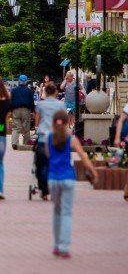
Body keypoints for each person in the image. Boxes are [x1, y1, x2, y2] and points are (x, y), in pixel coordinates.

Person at [47, 110, 98, 258]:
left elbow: (47, 155)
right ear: (67, 122)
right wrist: (93, 172)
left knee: (57, 211)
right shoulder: (71, 139)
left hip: (53, 178)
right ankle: (64, 247)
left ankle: (56, 245)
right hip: (68, 178)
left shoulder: (49, 138)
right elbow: (83, 157)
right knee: (67, 213)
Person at [34, 82, 65, 201]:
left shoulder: (41, 104)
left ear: (46, 92)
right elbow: (64, 120)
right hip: (56, 138)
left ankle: (44, 190)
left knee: (43, 165)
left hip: (43, 138)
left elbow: (37, 118)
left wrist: (37, 126)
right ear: (56, 92)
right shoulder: (60, 105)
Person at [11, 74, 36, 150]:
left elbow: (11, 101)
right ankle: (25, 144)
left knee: (16, 128)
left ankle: (14, 143)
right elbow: (31, 102)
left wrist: (10, 110)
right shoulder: (29, 91)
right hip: (26, 110)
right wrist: (33, 111)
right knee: (26, 128)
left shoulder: (14, 90)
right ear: (26, 81)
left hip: (16, 110)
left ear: (19, 81)